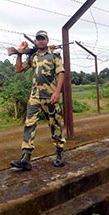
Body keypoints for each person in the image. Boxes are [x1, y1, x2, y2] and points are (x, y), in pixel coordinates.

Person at [10, 30, 66, 171]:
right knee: (29, 124)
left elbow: (61, 74)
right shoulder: (33, 56)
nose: (40, 41)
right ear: (35, 41)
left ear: (47, 41)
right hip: (35, 96)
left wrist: (57, 92)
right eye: (38, 39)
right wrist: (19, 53)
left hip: (51, 96)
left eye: (43, 39)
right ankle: (26, 157)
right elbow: (19, 69)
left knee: (55, 124)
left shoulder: (54, 55)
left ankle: (60, 153)